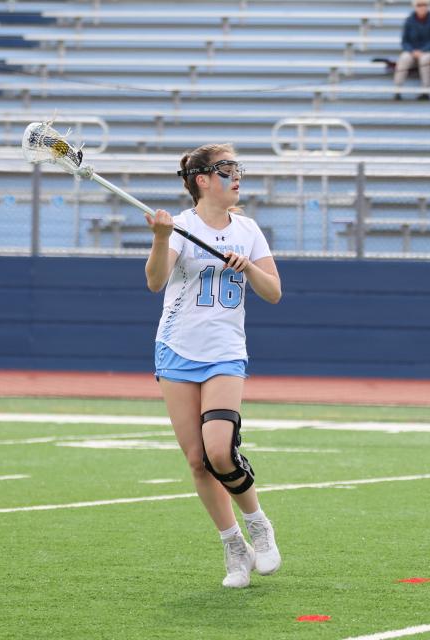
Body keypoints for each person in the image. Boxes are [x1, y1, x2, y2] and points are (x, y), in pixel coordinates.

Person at [144, 143, 283, 589]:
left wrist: (247, 269)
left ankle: (258, 524)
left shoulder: (248, 230)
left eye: (237, 168)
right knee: (198, 462)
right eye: (226, 169)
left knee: (220, 450)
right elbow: (155, 281)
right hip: (176, 351)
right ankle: (233, 547)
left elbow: (274, 291)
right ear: (203, 179)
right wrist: (162, 237)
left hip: (224, 351)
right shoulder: (180, 227)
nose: (236, 175)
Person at [394, 0, 430, 101]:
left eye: (424, 5)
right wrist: (412, 51)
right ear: (415, 6)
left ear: (428, 6)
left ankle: (425, 90)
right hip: (413, 51)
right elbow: (404, 41)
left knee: (425, 59)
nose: (422, 7)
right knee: (404, 58)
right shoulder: (409, 20)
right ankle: (397, 89)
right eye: (419, 5)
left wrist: (423, 50)